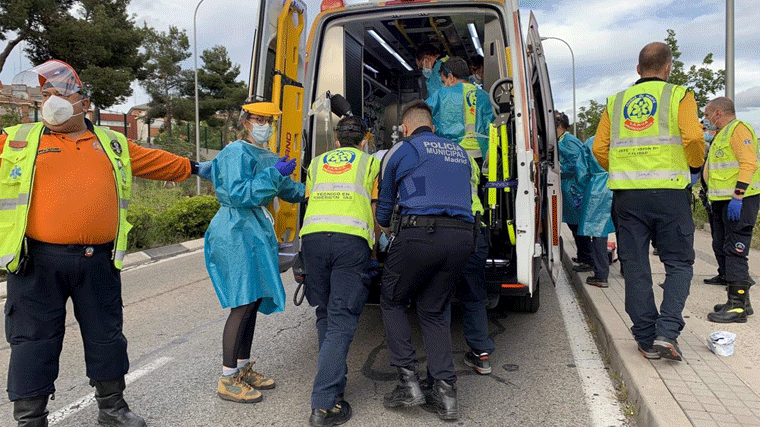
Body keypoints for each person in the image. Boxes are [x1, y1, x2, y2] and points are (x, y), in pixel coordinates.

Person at [0, 60, 210, 427]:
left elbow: (156, 161)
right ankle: (30, 419)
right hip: (36, 262)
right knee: (33, 342)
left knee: (106, 337)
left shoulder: (111, 142)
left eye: (61, 93)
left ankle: (113, 409)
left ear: (83, 102)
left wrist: (197, 167)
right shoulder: (17, 138)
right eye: (46, 94)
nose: (52, 101)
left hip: (97, 261)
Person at [593, 42, 705, 361]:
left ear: (638, 69)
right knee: (679, 263)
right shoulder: (678, 95)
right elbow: (694, 138)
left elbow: (600, 149)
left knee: (636, 265)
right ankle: (667, 332)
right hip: (671, 194)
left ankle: (644, 337)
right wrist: (694, 166)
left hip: (628, 197)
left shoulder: (615, 102)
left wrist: (625, 169)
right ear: (668, 67)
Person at [377, 100, 475, 421]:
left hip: (420, 233)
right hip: (462, 237)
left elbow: (384, 211)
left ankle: (408, 382)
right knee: (434, 310)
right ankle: (445, 392)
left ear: (405, 128)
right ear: (433, 126)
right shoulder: (459, 152)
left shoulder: (401, 150)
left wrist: (389, 234)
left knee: (392, 300)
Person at [204, 102, 305, 404]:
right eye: (259, 119)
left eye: (269, 120)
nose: (265, 125)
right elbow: (239, 193)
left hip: (256, 229)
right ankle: (227, 378)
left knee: (253, 298)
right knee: (242, 300)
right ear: (246, 122)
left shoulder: (267, 156)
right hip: (235, 228)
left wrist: (321, 187)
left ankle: (243, 368)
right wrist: (273, 174)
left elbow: (289, 190)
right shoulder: (236, 151)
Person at [299, 116, 380, 426]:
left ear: (336, 141)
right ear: (364, 141)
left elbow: (308, 202)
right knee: (342, 320)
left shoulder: (317, 163)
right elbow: (374, 208)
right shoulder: (370, 163)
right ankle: (324, 404)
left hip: (314, 241)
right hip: (350, 242)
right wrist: (373, 249)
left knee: (325, 314)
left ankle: (334, 382)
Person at [702, 97, 759, 323]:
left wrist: (738, 195)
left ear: (718, 113)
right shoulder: (722, 134)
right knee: (725, 247)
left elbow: (749, 163)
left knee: (736, 251)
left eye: (707, 115)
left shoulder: (737, 130)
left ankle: (737, 307)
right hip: (723, 201)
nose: (706, 120)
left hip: (739, 201)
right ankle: (741, 300)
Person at [457, 159, 495, 373]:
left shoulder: (425, 153)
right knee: (473, 292)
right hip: (474, 228)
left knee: (436, 295)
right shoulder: (469, 159)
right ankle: (482, 354)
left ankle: (437, 360)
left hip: (443, 229)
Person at [426, 56, 494, 161]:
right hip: (480, 156)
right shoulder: (485, 96)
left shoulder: (442, 94)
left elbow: (422, 112)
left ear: (451, 77)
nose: (444, 86)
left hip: (451, 155)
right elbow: (492, 127)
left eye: (444, 82)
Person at [556, 111, 594, 272]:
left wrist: (555, 170)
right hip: (569, 188)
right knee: (574, 225)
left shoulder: (569, 141)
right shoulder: (563, 140)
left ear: (558, 125)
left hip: (574, 189)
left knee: (578, 225)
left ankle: (587, 259)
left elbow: (576, 164)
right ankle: (583, 255)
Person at [575, 136, 614, 287]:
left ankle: (601, 275)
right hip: (624, 184)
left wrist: (587, 187)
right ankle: (628, 270)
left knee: (598, 232)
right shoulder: (624, 137)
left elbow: (581, 172)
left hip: (599, 187)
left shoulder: (593, 141)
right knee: (628, 230)